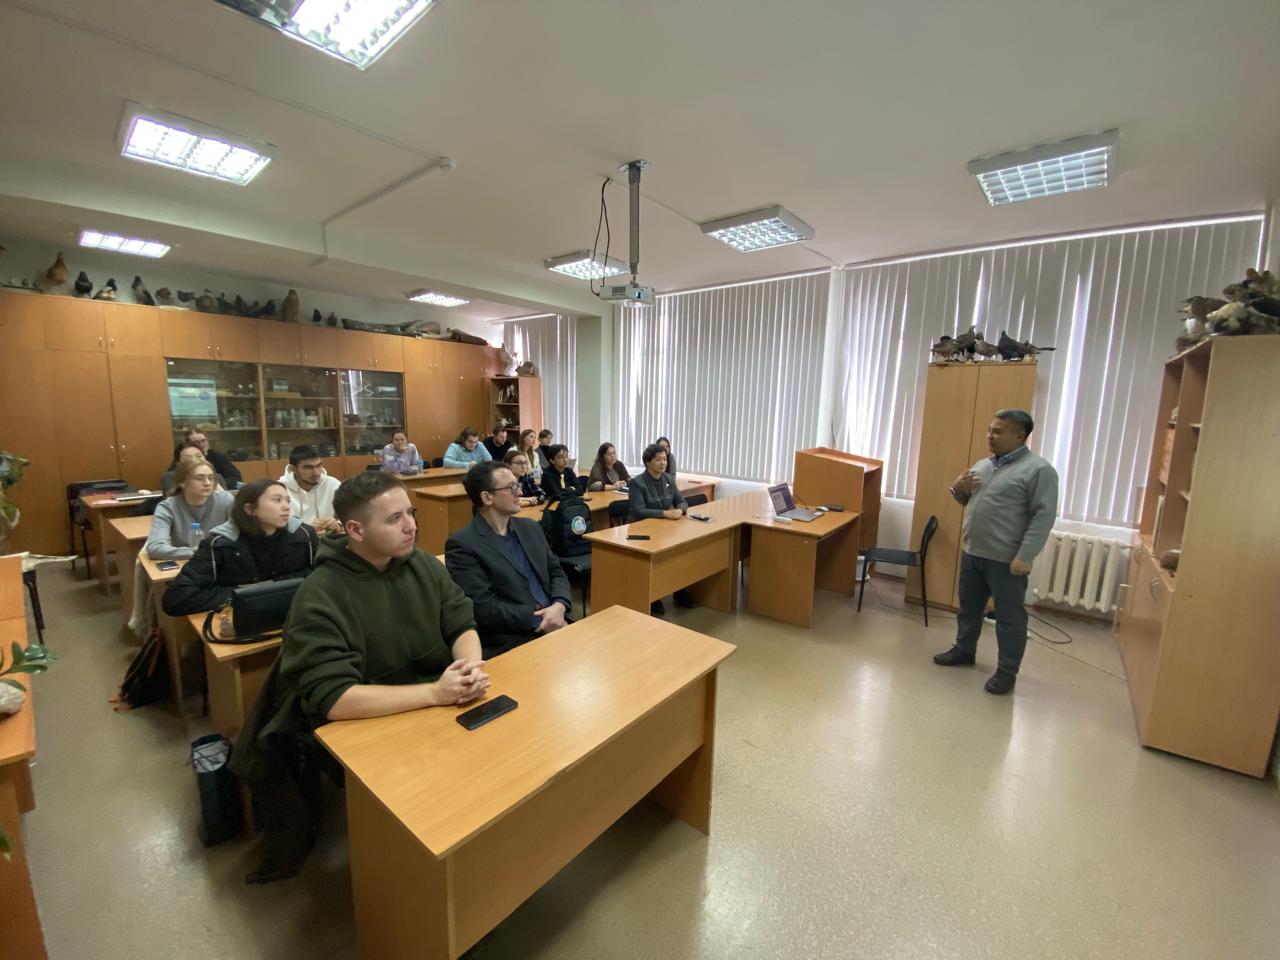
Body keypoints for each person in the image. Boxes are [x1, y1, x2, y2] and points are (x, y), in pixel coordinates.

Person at [234, 470, 488, 882]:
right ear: (354, 530)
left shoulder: (422, 564)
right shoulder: (321, 594)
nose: (411, 526)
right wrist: (435, 694)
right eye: (394, 519)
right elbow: (334, 699)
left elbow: (461, 623)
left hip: (435, 703)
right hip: (368, 723)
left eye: (411, 513)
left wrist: (469, 668)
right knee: (440, 806)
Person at [932, 409, 1059, 695]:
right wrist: (956, 488)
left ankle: (1006, 671)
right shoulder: (985, 465)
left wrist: (1025, 556)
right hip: (973, 552)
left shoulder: (1039, 470)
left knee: (1009, 619)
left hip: (1006, 559)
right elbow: (968, 501)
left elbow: (1043, 516)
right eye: (990, 430)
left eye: (998, 432)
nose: (990, 436)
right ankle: (964, 650)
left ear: (1020, 436)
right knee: (969, 608)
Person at [446, 461, 572, 657]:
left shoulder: (530, 527)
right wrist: (540, 619)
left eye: (518, 484)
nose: (520, 492)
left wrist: (559, 605)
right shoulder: (463, 544)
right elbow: (483, 608)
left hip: (557, 619)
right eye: (511, 487)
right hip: (515, 638)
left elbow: (556, 570)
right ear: (487, 497)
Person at [162, 479, 319, 616]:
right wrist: (245, 594)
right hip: (237, 618)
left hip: (294, 613)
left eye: (287, 501)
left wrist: (270, 588)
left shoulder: (303, 535)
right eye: (277, 500)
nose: (286, 507)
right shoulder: (220, 544)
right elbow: (177, 599)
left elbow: (321, 576)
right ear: (249, 509)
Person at [629, 443, 695, 614]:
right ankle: (653, 597)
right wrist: (665, 514)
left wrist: (680, 510)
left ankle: (679, 590)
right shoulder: (637, 483)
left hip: (662, 529)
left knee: (680, 552)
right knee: (657, 557)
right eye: (658, 459)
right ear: (647, 462)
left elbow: (682, 501)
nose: (663, 463)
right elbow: (639, 510)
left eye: (664, 459)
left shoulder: (668, 479)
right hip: (640, 531)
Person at [145, 458, 234, 561]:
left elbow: (240, 538)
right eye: (199, 478)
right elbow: (155, 548)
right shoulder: (167, 507)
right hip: (185, 562)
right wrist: (200, 553)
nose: (207, 483)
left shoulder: (225, 500)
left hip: (221, 562)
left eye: (211, 478)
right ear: (182, 482)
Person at [279, 445, 342, 534]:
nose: (316, 473)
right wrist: (309, 531)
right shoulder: (280, 489)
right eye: (308, 467)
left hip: (327, 538)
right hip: (296, 540)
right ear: (293, 469)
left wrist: (338, 524)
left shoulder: (333, 484)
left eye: (318, 466)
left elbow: (352, 513)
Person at [161, 442, 225, 493]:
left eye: (199, 456)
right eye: (188, 457)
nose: (195, 460)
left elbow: (225, 501)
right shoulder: (170, 477)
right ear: (178, 463)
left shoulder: (217, 477)